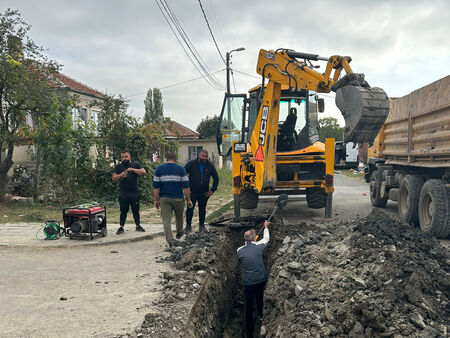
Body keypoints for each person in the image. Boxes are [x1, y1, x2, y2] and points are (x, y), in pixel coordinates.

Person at [237, 220, 271, 338]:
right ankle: (261, 316)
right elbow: (266, 239)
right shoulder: (259, 247)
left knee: (248, 308)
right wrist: (266, 227)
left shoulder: (239, 250)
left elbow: (241, 260)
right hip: (260, 280)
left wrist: (253, 242)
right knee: (260, 297)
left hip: (248, 283)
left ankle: (249, 333)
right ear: (254, 238)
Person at [153, 152, 193, 246]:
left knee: (166, 219)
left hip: (164, 198)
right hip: (178, 198)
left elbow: (155, 186)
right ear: (176, 159)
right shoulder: (181, 169)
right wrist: (189, 199)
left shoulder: (159, 169)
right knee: (179, 217)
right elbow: (186, 186)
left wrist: (156, 200)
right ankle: (179, 232)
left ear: (167, 159)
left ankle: (170, 240)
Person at [112, 150, 147, 235]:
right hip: (123, 192)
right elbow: (114, 178)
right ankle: (121, 227)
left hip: (134, 192)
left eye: (126, 156)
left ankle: (138, 225)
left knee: (136, 210)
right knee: (123, 211)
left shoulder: (136, 164)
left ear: (130, 156)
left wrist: (132, 170)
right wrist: (120, 175)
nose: (124, 158)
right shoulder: (119, 166)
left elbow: (143, 171)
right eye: (122, 157)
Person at [184, 150, 219, 233]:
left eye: (206, 156)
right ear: (199, 155)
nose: (204, 158)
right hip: (192, 191)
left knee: (202, 209)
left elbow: (216, 178)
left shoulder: (210, 166)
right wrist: (186, 187)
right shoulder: (191, 164)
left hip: (204, 192)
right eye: (203, 156)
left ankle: (202, 226)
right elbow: (183, 174)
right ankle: (188, 226)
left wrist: (212, 190)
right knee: (190, 208)